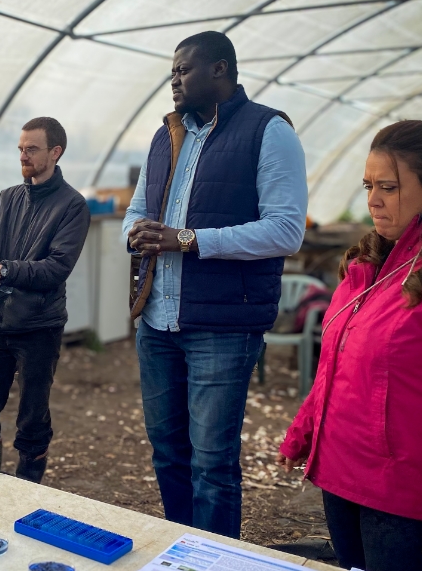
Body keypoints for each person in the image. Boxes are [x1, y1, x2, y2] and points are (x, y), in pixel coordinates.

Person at [278, 120, 422, 571]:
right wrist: (305, 430)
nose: (373, 200)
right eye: (368, 186)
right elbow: (337, 363)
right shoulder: (372, 263)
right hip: (341, 477)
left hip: (400, 497)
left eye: (389, 187)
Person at [124, 31, 307, 537]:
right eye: (172, 71)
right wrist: (134, 233)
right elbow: (137, 210)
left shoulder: (268, 130)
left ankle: (215, 566)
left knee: (212, 462)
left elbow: (286, 230)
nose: (173, 80)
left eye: (182, 69)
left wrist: (187, 239)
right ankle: (180, 551)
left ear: (220, 69)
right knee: (167, 452)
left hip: (222, 327)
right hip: (156, 320)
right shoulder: (166, 135)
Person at [0, 117, 90, 483]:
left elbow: (55, 269)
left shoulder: (72, 206)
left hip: (39, 326)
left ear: (55, 152)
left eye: (31, 149)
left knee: (32, 419)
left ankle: (26, 492)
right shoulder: (8, 198)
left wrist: (3, 271)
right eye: (20, 148)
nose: (24, 155)